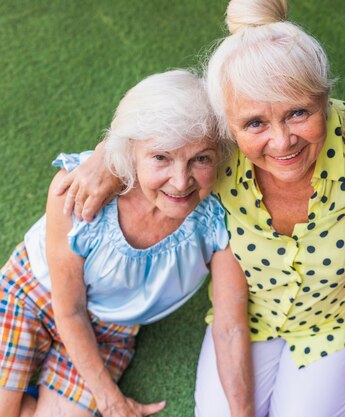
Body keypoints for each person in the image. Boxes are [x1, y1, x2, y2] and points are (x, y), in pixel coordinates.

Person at [53, 2, 345, 416]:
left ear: (325, 100)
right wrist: (104, 162)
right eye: (254, 123)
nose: (282, 141)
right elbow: (151, 134)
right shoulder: (213, 155)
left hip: (339, 320)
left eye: (298, 113)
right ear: (227, 124)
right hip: (249, 315)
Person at [0, 70, 241, 417]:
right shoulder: (81, 189)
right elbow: (68, 310)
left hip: (110, 331)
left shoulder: (217, 218)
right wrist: (111, 401)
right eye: (161, 157)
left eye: (200, 159)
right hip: (33, 293)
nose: (180, 181)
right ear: (131, 152)